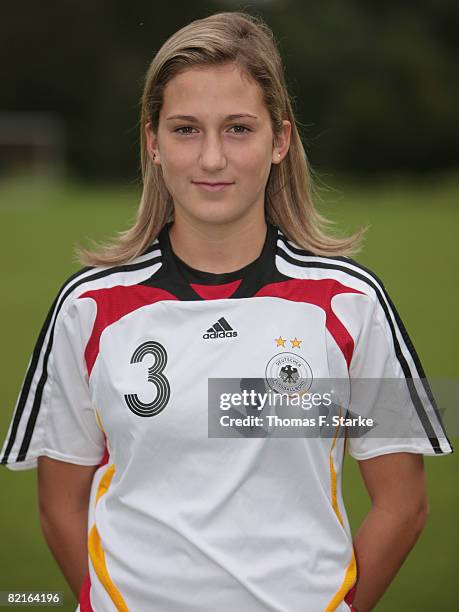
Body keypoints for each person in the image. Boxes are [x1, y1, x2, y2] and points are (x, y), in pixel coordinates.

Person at [1, 11, 453, 612]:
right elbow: (60, 503)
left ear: (280, 140)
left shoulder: (351, 302)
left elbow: (404, 505)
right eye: (186, 129)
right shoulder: (89, 307)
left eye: (238, 129)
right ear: (152, 143)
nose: (212, 158)